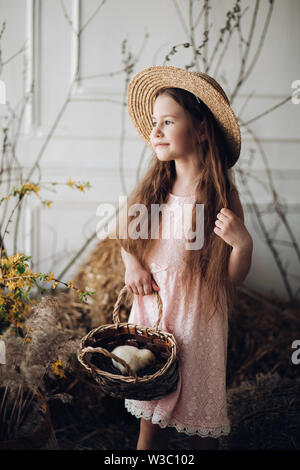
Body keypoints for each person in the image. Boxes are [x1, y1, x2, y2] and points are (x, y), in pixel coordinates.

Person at [117, 66, 253, 450]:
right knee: (151, 412)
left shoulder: (222, 196)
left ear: (202, 128)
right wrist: (134, 264)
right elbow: (128, 236)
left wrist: (243, 246)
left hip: (197, 318)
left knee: (192, 408)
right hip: (154, 312)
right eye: (154, 122)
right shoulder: (154, 189)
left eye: (168, 121)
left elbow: (230, 282)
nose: (155, 131)